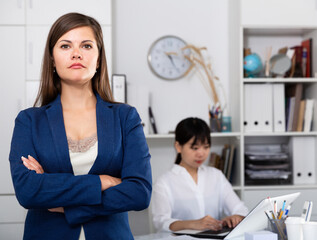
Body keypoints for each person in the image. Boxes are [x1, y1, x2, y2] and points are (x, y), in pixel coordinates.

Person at [9, 12, 152, 240]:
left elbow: (139, 193)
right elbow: (28, 191)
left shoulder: (125, 117)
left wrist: (67, 203)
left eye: (86, 46)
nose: (76, 53)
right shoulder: (29, 121)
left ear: (98, 58)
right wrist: (102, 182)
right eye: (65, 46)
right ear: (52, 59)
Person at [151, 117, 248, 232]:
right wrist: (193, 224)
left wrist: (236, 217)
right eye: (195, 148)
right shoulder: (164, 182)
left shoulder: (216, 176)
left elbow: (240, 209)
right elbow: (161, 221)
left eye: (206, 147)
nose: (201, 153)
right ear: (178, 147)